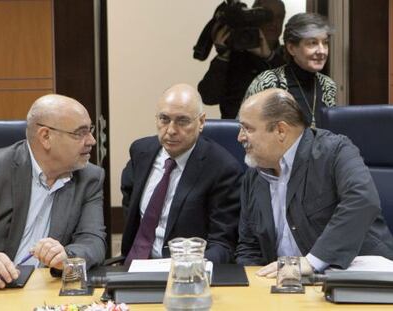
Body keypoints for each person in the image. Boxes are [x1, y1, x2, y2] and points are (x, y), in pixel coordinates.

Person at [235, 88, 393, 277]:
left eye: (247, 128)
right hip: (286, 287)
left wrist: (312, 262)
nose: (240, 137)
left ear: (281, 130)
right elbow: (249, 247)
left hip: (355, 279)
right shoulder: (253, 176)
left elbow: (363, 201)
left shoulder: (335, 151)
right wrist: (254, 283)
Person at [0, 94, 107, 288]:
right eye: (80, 133)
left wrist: (67, 256)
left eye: (90, 130)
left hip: (49, 288)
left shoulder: (90, 177)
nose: (92, 141)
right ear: (45, 136)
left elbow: (93, 240)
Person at [121, 83, 242, 264]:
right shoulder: (141, 152)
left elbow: (223, 244)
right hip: (133, 265)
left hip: (185, 272)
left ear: (201, 122)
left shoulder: (223, 169)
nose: (171, 130)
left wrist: (190, 268)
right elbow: (130, 205)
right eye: (164, 119)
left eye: (182, 121)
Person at [245, 13, 337, 128]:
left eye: (325, 43)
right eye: (312, 43)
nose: (322, 51)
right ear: (291, 48)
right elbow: (245, 131)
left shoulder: (328, 85)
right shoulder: (268, 82)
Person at [198, 0, 286, 119]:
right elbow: (208, 97)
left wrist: (269, 57)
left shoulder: (289, 56)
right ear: (254, 18)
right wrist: (223, 57)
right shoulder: (234, 57)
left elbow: (296, 94)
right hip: (235, 133)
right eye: (267, 16)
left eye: (279, 17)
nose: (273, 23)